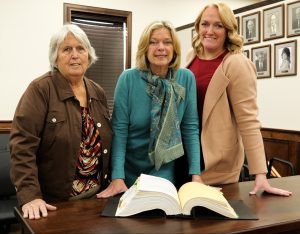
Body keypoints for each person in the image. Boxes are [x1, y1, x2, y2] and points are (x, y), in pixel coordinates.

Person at [186, 2, 292, 196]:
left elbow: (248, 121)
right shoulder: (190, 58)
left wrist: (260, 174)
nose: (210, 31)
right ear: (198, 27)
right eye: (205, 24)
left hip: (216, 164)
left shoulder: (237, 63)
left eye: (218, 25)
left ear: (228, 31)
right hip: (185, 158)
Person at [9, 24, 113, 219]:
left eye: (80, 48)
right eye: (66, 49)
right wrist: (30, 196)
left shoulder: (97, 91)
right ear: (55, 57)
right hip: (55, 205)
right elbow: (22, 146)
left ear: (88, 55)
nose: (75, 55)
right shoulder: (40, 89)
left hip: (97, 200)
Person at [97, 20, 202, 198]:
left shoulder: (186, 78)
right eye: (153, 42)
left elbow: (190, 128)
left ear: (174, 48)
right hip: (128, 171)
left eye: (167, 42)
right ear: (145, 49)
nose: (160, 47)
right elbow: (119, 131)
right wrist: (117, 177)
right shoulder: (128, 79)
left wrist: (196, 175)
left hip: (164, 168)